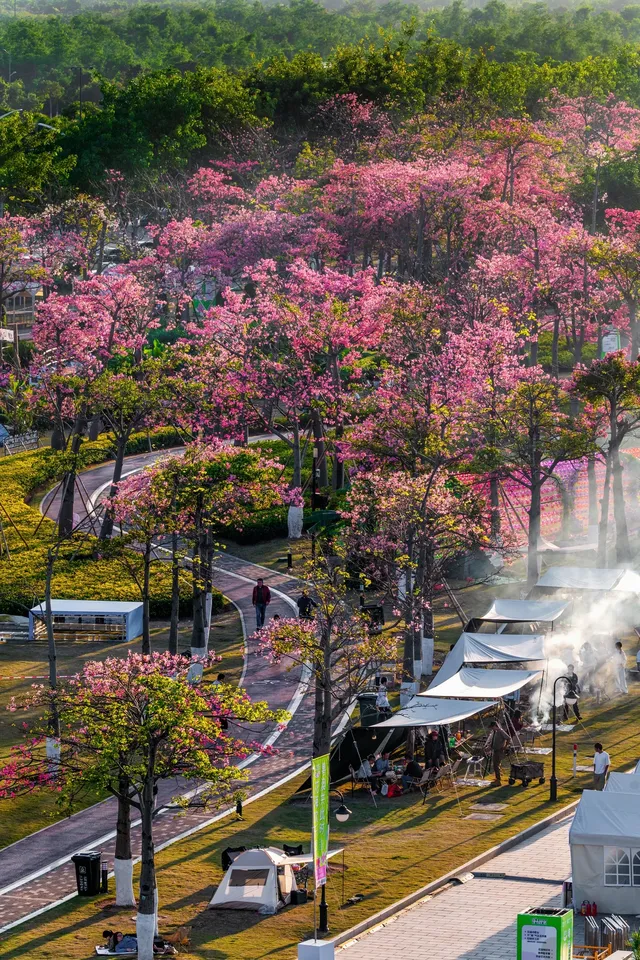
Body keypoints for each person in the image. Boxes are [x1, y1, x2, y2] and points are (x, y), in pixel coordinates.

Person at [485, 720, 511, 787]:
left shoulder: (501, 731)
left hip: (499, 750)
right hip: (495, 750)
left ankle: (498, 781)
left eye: (492, 727)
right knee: (495, 765)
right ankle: (497, 778)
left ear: (495, 726)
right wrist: (489, 747)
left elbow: (508, 738)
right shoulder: (495, 732)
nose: (492, 728)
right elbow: (493, 741)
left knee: (496, 765)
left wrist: (505, 746)